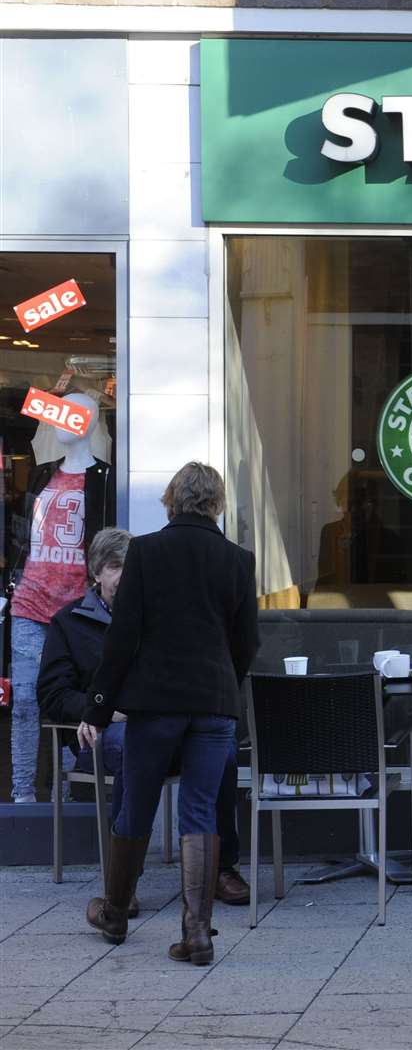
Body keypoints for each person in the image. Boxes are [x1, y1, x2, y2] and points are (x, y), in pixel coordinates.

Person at [81, 463, 258, 966]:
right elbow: (247, 641)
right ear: (216, 503)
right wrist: (224, 679)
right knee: (200, 810)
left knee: (137, 802)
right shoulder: (238, 559)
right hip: (213, 702)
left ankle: (115, 913)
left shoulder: (147, 552)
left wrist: (100, 701)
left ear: (171, 501)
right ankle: (197, 934)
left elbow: (123, 635)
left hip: (154, 702)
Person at [39, 528, 254, 911]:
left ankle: (221, 868)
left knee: (222, 754)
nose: (123, 574)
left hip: (162, 727)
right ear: (96, 573)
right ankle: (125, 882)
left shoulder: (154, 616)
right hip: (100, 734)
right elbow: (53, 695)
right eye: (114, 565)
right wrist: (102, 710)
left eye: (129, 565)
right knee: (129, 747)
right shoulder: (69, 623)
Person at [8, 392, 116, 803]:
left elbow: (106, 543)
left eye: (74, 413)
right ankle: (22, 797)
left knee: (71, 703)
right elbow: (22, 532)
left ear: (90, 422)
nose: (61, 421)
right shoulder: (40, 475)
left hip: (76, 611)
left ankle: (68, 796)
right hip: (30, 602)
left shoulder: (106, 479)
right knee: (23, 703)